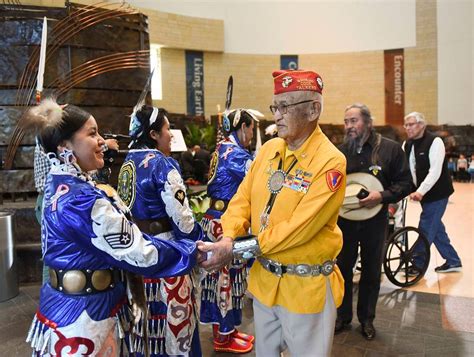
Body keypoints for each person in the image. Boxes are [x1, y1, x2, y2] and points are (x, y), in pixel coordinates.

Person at [23, 99, 200, 356]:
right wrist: (193, 250)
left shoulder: (65, 186)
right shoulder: (79, 200)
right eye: (92, 134)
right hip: (82, 320)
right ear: (64, 147)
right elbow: (140, 251)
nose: (103, 141)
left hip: (84, 309)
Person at [199, 69, 347, 356]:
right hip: (265, 284)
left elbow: (299, 228)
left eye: (285, 107)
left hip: (305, 289)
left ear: (313, 109)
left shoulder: (330, 161)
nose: (276, 115)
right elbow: (242, 200)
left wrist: (237, 250)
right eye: (274, 107)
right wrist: (229, 237)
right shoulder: (268, 150)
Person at [117, 105, 205, 356]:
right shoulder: (163, 165)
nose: (171, 135)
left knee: (144, 328)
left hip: (135, 255)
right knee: (175, 327)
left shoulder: (128, 163)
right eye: (167, 129)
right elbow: (182, 219)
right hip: (166, 256)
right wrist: (198, 242)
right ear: (154, 134)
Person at [336, 103, 412, 340]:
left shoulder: (390, 150)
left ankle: (367, 319)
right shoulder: (339, 153)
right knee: (342, 270)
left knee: (370, 272)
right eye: (346, 121)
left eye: (354, 121)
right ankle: (342, 316)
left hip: (375, 222)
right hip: (344, 222)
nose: (349, 126)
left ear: (368, 122)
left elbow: (406, 183)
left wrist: (382, 196)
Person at [200, 108, 260, 353]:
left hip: (219, 219)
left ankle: (229, 331)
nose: (253, 134)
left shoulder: (223, 149)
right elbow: (259, 178)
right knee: (225, 278)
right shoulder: (234, 154)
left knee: (226, 277)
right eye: (252, 129)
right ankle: (223, 337)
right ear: (243, 127)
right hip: (223, 224)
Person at [403, 112, 462, 273]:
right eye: (406, 125)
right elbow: (408, 169)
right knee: (436, 228)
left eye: (411, 124)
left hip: (438, 193)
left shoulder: (435, 142)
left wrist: (420, 191)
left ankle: (418, 263)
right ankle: (453, 261)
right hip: (423, 194)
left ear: (422, 125)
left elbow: (434, 171)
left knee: (426, 226)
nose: (408, 128)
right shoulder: (407, 144)